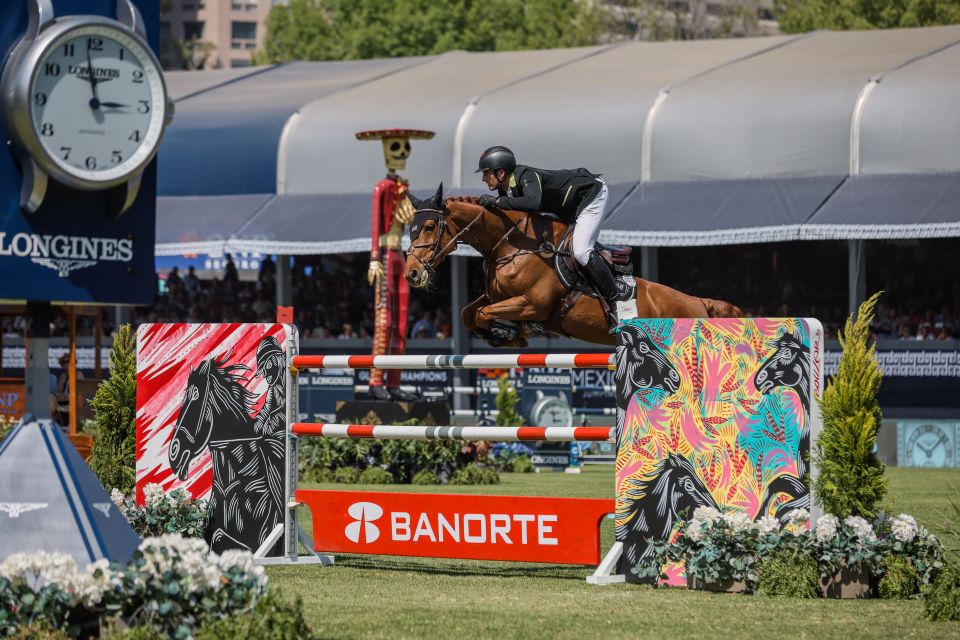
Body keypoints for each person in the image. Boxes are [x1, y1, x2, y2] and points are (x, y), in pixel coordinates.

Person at [475, 146, 618, 322]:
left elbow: (534, 202)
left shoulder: (525, 175)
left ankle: (618, 303)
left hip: (589, 196)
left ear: (501, 173)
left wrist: (497, 202)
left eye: (486, 173)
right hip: (566, 208)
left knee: (581, 251)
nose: (483, 178)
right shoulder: (505, 188)